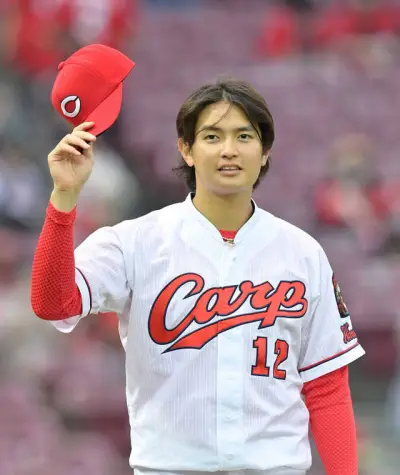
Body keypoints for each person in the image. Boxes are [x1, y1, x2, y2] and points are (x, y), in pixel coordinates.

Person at [31, 78, 365, 475]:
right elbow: (53, 304)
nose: (229, 150)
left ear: (265, 152)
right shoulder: (135, 242)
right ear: (186, 149)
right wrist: (64, 199)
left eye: (244, 136)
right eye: (212, 136)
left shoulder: (303, 253)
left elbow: (327, 388)